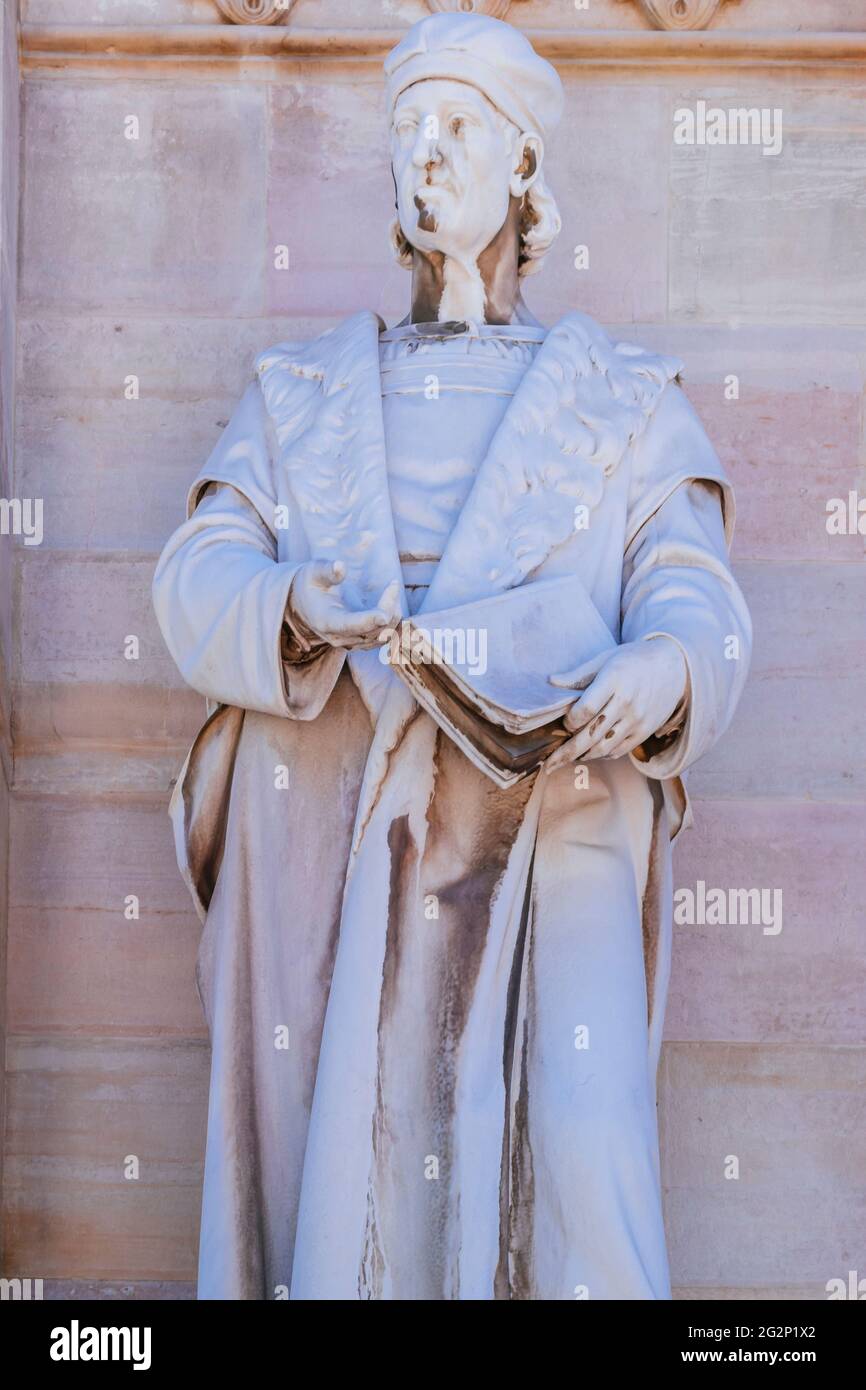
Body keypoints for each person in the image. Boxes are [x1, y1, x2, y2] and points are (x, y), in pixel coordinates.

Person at [153, 12, 751, 1300]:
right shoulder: (301, 391)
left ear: (525, 164)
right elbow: (195, 577)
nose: (426, 157)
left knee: (584, 1156)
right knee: (345, 1189)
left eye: (458, 128)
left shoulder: (626, 396)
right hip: (347, 821)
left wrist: (660, 676)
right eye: (407, 132)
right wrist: (292, 607)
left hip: (560, 811)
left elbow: (697, 601)